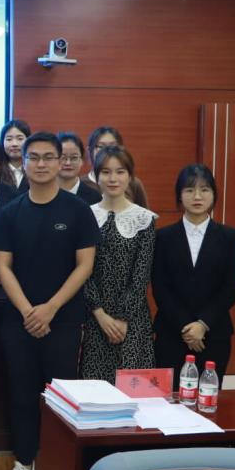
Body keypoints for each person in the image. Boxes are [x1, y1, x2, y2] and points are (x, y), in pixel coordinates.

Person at [0, 132, 99, 470]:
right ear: (22, 162)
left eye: (48, 157)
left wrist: (51, 308)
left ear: (60, 162)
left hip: (64, 320)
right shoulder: (10, 212)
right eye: (33, 157)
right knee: (22, 394)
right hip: (18, 320)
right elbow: (3, 266)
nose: (41, 164)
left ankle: (58, 467)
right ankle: (24, 465)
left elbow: (85, 265)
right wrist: (28, 311)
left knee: (61, 397)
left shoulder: (78, 210)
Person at [152, 164, 235, 388]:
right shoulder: (163, 237)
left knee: (208, 398)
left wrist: (202, 324)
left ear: (214, 194)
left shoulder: (229, 237)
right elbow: (160, 287)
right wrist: (186, 327)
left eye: (204, 189)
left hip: (214, 333)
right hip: (172, 333)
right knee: (169, 399)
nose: (197, 196)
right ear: (179, 195)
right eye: (190, 190)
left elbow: (231, 286)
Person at [81, 147, 157, 382]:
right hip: (95, 320)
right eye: (106, 172)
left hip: (133, 322)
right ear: (96, 176)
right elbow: (82, 271)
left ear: (130, 176)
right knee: (95, 393)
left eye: (120, 171)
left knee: (134, 393)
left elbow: (141, 275)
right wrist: (100, 314)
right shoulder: (84, 216)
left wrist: (123, 319)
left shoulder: (144, 218)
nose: (113, 178)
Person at [83, 126, 149, 208]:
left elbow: (144, 212)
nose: (107, 151)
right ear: (90, 151)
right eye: (101, 146)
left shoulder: (133, 183)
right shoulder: (81, 184)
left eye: (113, 146)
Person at [57, 132, 101, 205]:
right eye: (63, 157)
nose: (68, 163)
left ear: (82, 161)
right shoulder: (43, 192)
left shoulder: (95, 197)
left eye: (74, 158)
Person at [0, 119, 31, 190]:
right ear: (2, 142)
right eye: (9, 139)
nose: (14, 144)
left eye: (20, 139)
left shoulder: (35, 169)